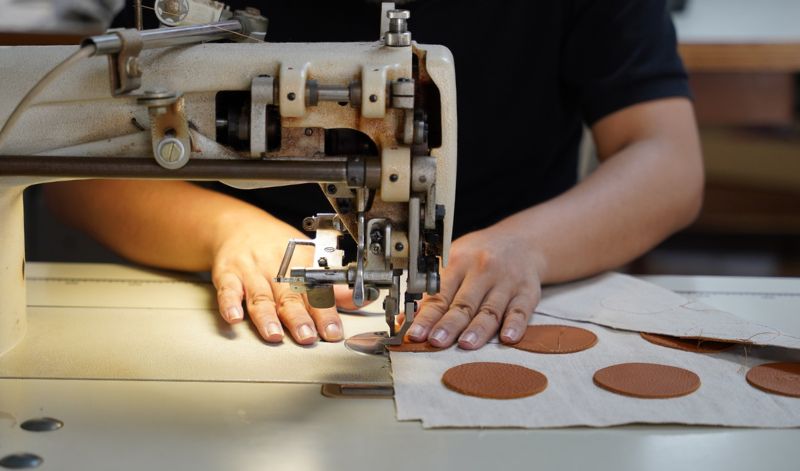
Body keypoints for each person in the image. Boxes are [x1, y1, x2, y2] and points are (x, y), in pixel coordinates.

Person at [45, 0, 704, 350]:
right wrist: (223, 229)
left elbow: (667, 161)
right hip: (247, 294)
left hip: (510, 292)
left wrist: (529, 245)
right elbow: (75, 168)